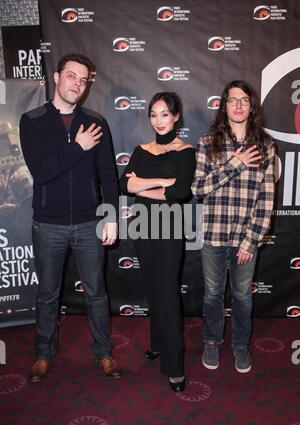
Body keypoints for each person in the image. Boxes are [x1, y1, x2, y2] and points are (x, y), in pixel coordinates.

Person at [19, 53, 122, 382]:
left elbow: (108, 174)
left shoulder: (96, 121)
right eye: (72, 76)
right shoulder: (32, 120)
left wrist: (112, 216)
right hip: (48, 225)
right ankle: (43, 354)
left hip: (90, 223)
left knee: (96, 293)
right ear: (57, 75)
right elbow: (42, 172)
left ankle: (103, 353)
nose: (78, 83)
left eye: (84, 79)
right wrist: (77, 147)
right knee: (48, 294)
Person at [192, 80, 276, 373]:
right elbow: (198, 188)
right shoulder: (207, 142)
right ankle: (212, 341)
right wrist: (236, 163)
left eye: (243, 100)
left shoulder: (265, 146)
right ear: (223, 105)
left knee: (242, 296)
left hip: (245, 240)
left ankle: (240, 345)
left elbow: (266, 200)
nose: (238, 105)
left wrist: (250, 241)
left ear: (251, 106)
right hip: (214, 237)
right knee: (213, 294)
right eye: (232, 100)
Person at [120, 92, 196, 392]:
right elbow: (125, 184)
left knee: (166, 292)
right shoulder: (141, 149)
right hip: (141, 225)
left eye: (165, 114)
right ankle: (156, 343)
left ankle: (175, 365)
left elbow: (179, 194)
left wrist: (145, 186)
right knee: (152, 288)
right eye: (154, 114)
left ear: (176, 116)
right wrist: (162, 182)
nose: (159, 120)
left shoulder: (186, 151)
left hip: (168, 228)